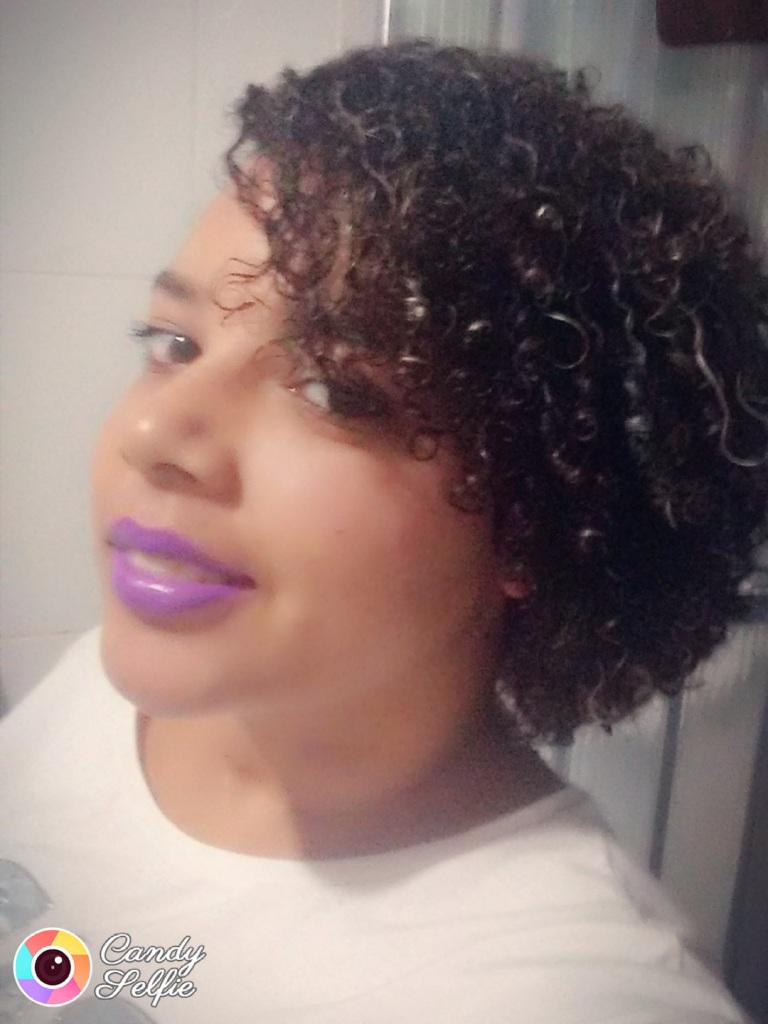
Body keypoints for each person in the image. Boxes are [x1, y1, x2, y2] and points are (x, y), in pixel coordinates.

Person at [1, 39, 766, 1024]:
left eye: (339, 391)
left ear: (533, 522)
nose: (151, 433)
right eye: (175, 343)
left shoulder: (575, 997)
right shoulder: (99, 690)